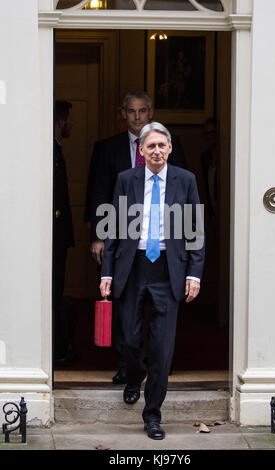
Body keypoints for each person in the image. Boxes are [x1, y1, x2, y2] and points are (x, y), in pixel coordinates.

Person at [99, 122, 205, 440]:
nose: (157, 151)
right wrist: (106, 272)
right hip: (132, 268)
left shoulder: (185, 180)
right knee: (129, 341)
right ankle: (136, 373)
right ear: (141, 152)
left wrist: (194, 273)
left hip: (168, 271)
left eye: (162, 145)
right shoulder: (126, 180)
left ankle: (153, 415)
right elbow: (113, 228)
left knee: (162, 348)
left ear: (169, 148)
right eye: (150, 146)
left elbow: (195, 230)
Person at [88, 91, 187, 385]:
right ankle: (129, 367)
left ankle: (158, 367)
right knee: (125, 314)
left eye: (143, 111)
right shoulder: (108, 148)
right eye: (131, 111)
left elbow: (184, 193)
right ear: (123, 113)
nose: (137, 116)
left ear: (151, 111)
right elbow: (100, 193)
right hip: (123, 241)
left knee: (161, 317)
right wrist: (99, 236)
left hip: (163, 245)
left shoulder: (170, 146)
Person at [53, 100, 76, 367]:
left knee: (58, 290)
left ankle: (60, 344)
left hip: (59, 235)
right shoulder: (52, 150)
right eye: (69, 119)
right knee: (54, 290)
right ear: (61, 120)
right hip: (54, 235)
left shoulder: (57, 150)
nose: (72, 124)